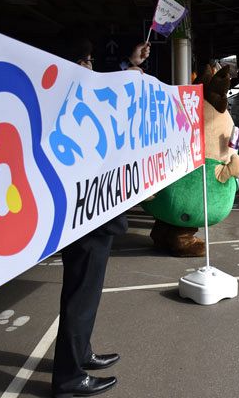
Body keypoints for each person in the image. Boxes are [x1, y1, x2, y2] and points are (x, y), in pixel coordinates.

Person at [51, 35, 149, 398]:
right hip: (86, 217)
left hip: (96, 214)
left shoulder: (75, 96)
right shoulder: (64, 97)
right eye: (87, 61)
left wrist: (128, 62)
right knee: (80, 296)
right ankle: (68, 379)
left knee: (83, 295)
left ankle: (79, 355)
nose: (92, 68)